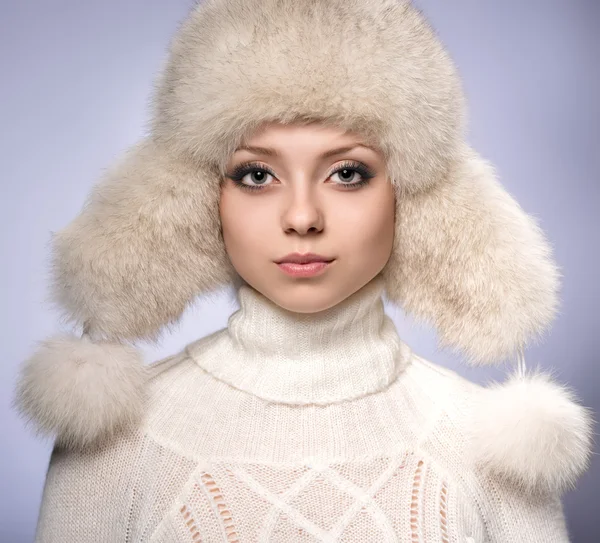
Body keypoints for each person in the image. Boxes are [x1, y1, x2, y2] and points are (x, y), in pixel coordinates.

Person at [12, 0, 593, 541]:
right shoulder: (117, 444)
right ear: (194, 197)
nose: (302, 216)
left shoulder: (489, 449)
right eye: (256, 176)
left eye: (347, 173)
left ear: (412, 196)